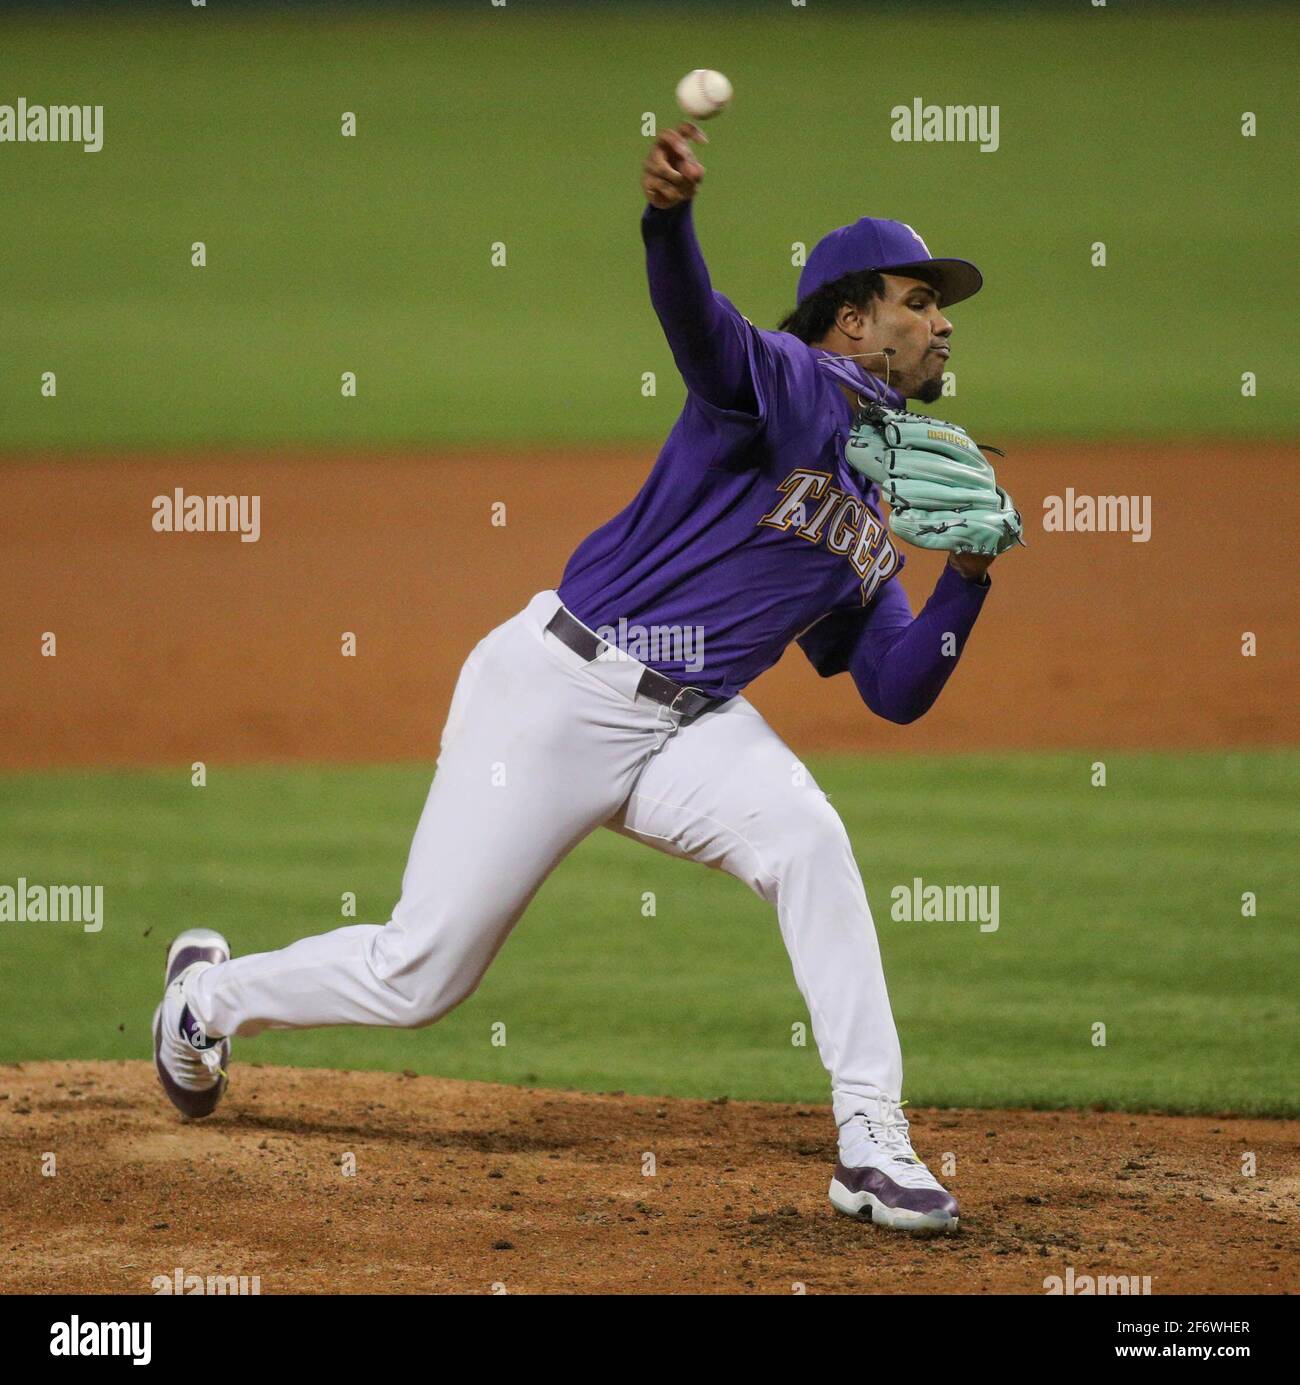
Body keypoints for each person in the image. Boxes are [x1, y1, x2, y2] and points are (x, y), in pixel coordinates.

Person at [153, 122, 1004, 1236]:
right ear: (852, 320)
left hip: (694, 728)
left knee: (809, 841)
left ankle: (870, 1139)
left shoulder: (871, 510)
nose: (941, 321)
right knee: (420, 978)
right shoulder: (786, 382)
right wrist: (668, 219)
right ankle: (201, 998)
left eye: (944, 307)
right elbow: (697, 327)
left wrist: (970, 578)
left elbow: (893, 685)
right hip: (553, 697)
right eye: (916, 300)